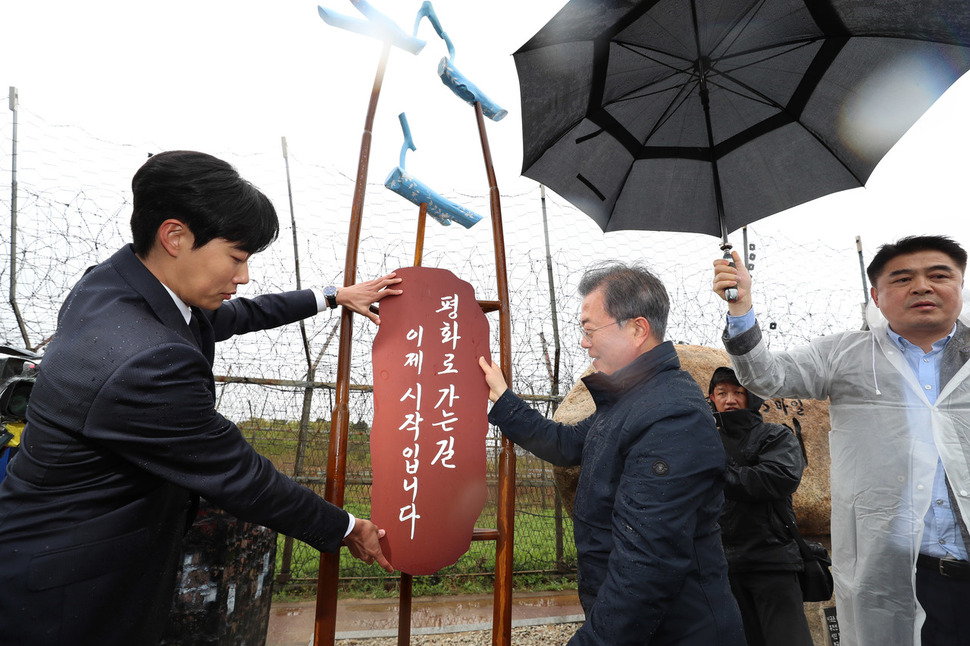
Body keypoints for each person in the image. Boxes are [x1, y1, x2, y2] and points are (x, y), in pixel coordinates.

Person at [0, 151, 401, 645]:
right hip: (71, 591)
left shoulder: (114, 288)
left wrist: (331, 295)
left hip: (43, 544)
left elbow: (234, 316)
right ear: (175, 236)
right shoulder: (146, 361)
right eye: (237, 257)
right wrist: (346, 527)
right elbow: (237, 475)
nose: (245, 275)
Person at [712, 235, 970, 646]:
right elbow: (765, 377)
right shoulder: (846, 355)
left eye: (939, 275)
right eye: (902, 279)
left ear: (960, 283)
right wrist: (740, 307)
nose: (922, 286)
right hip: (895, 571)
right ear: (877, 296)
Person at [480, 262, 745, 645]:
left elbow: (645, 569)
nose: (584, 342)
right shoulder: (631, 402)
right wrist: (504, 402)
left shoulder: (671, 416)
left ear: (637, 329)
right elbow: (566, 444)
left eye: (590, 330)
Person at [708, 366, 813, 646]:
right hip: (721, 565)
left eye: (738, 392)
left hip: (772, 560)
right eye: (722, 393)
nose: (730, 399)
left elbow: (778, 478)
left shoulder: (775, 435)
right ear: (711, 399)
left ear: (751, 397)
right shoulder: (705, 440)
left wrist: (716, 473)